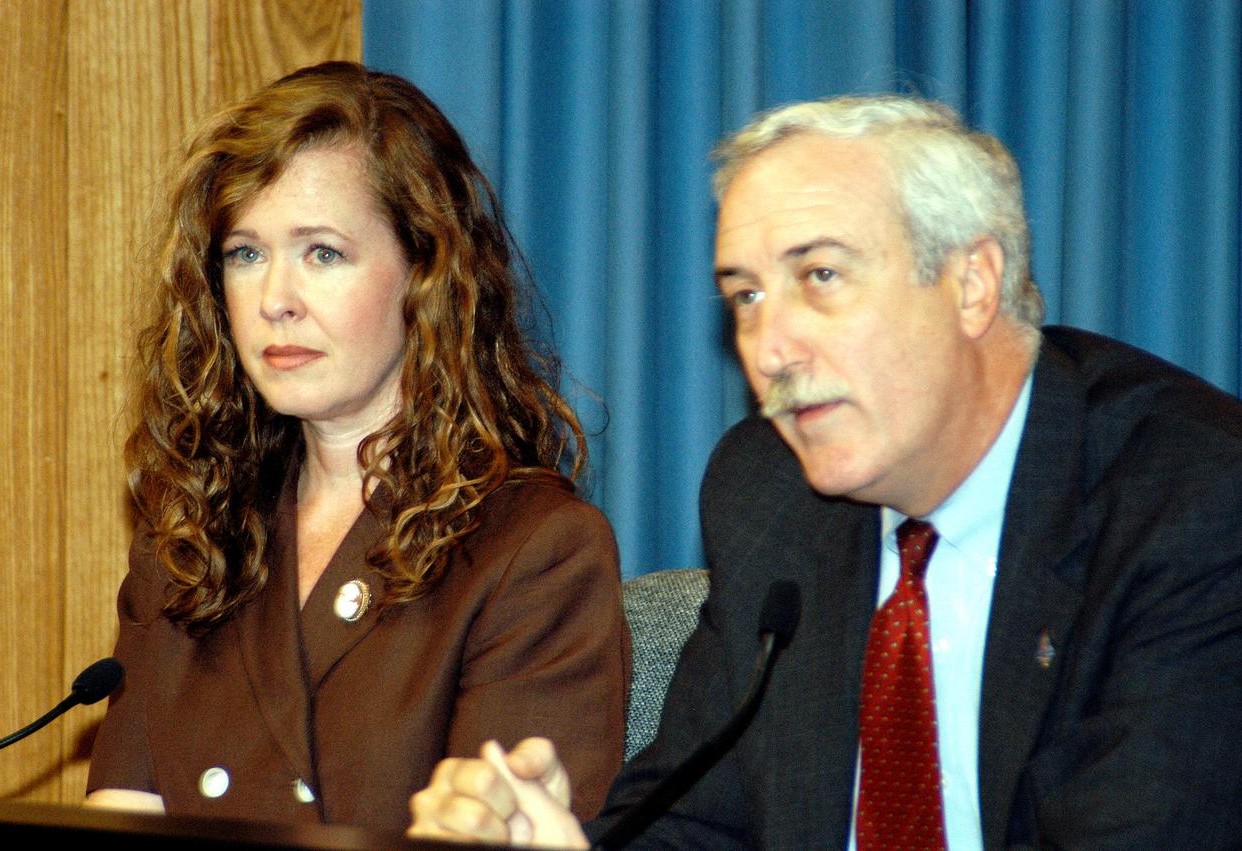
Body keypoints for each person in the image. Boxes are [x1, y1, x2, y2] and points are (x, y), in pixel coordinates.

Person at [407, 95, 1242, 849]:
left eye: (820, 276)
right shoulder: (768, 491)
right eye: (745, 296)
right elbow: (695, 821)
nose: (769, 350)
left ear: (971, 282)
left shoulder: (1190, 498)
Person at [85, 61, 628, 835]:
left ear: (426, 276)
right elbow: (123, 810)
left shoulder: (536, 552)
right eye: (245, 253)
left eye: (322, 253)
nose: (275, 298)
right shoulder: (187, 542)